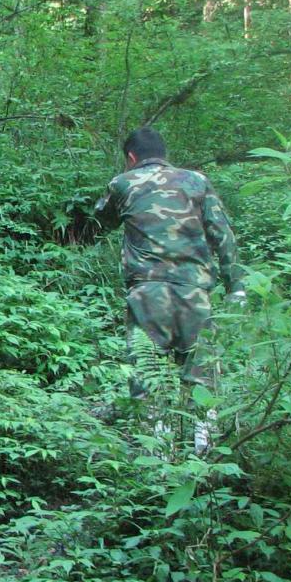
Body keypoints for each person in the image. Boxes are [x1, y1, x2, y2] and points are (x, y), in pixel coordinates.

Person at [93, 126, 244, 452]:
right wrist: (237, 286)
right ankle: (206, 456)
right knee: (201, 375)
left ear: (131, 158)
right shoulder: (196, 181)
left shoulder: (123, 183)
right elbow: (222, 234)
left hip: (148, 293)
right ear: (164, 154)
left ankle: (155, 459)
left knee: (148, 376)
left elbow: (102, 219)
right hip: (195, 291)